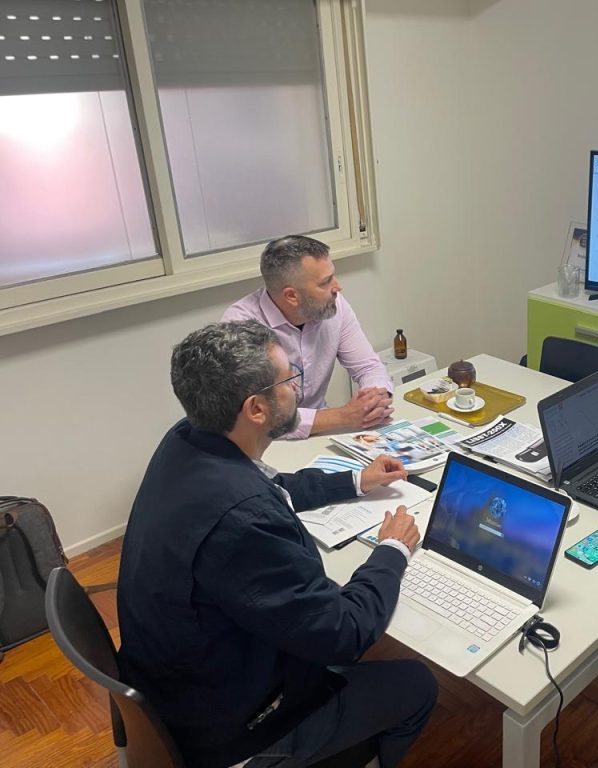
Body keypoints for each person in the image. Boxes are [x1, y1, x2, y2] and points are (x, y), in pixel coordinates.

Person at [117, 321, 437, 768]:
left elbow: (267, 486)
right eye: (289, 380)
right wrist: (392, 551)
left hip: (177, 683)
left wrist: (354, 481)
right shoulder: (243, 522)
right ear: (256, 409)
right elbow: (345, 634)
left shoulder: (187, 440)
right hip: (231, 730)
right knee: (416, 684)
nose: (298, 389)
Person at [223, 234, 394, 439]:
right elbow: (258, 415)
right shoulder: (240, 325)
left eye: (333, 276)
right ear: (291, 296)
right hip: (265, 442)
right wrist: (341, 417)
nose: (337, 287)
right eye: (325, 282)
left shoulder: (334, 305)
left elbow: (368, 367)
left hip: (321, 432)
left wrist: (375, 399)